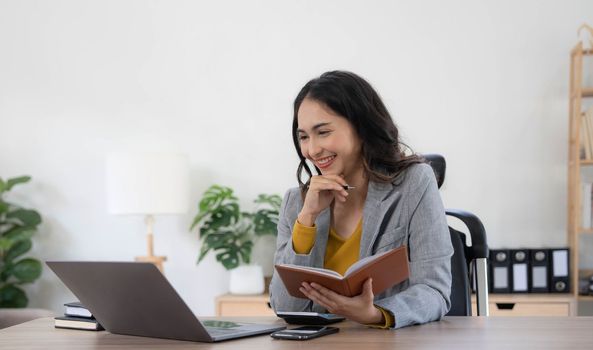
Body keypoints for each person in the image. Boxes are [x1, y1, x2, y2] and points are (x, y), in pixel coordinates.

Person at [269, 71, 453, 329]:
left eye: (323, 132)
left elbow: (434, 291)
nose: (312, 149)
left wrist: (377, 313)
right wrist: (307, 220)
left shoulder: (413, 183)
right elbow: (284, 306)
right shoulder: (296, 202)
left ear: (362, 127)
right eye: (304, 137)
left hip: (386, 342)